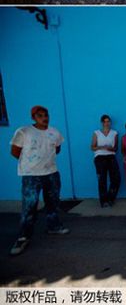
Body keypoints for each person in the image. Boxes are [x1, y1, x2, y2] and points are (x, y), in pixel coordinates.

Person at [9, 106, 70, 256]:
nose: (44, 118)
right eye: (40, 115)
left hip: (51, 173)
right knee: (30, 206)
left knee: (53, 201)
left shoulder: (54, 132)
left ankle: (54, 226)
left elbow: (57, 149)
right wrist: (31, 165)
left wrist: (44, 162)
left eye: (46, 115)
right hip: (31, 176)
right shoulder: (24, 132)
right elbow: (15, 152)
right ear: (33, 118)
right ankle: (24, 236)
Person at [91, 114, 120, 208]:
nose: (107, 123)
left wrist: (111, 149)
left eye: (108, 121)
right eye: (105, 121)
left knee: (116, 179)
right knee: (102, 179)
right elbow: (92, 147)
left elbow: (116, 148)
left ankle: (110, 198)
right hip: (100, 158)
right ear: (102, 123)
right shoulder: (96, 133)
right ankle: (103, 201)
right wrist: (101, 147)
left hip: (111, 157)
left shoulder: (114, 133)